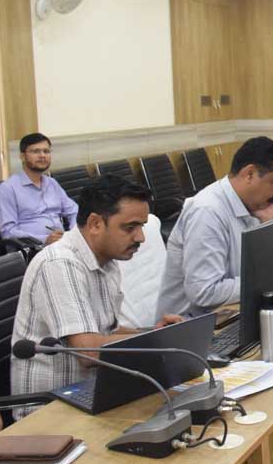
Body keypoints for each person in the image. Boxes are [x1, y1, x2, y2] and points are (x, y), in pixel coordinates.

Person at [10, 176, 180, 418]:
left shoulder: (107, 260)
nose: (141, 237)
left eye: (142, 226)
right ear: (95, 224)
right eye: (130, 228)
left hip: (93, 393)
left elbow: (107, 331)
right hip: (51, 410)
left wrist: (153, 332)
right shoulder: (59, 264)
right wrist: (158, 343)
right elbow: (89, 352)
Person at [156, 137, 273, 318]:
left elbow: (269, 266)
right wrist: (267, 282)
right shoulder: (207, 212)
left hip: (229, 315)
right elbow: (204, 292)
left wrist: (269, 227)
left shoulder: (253, 206)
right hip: (186, 326)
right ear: (249, 174)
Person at [0, 132, 78, 245]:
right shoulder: (7, 189)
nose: (42, 155)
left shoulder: (51, 183)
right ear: (22, 156)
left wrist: (73, 233)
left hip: (62, 243)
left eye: (46, 151)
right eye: (36, 151)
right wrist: (44, 240)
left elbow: (74, 210)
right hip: (33, 249)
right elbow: (8, 232)